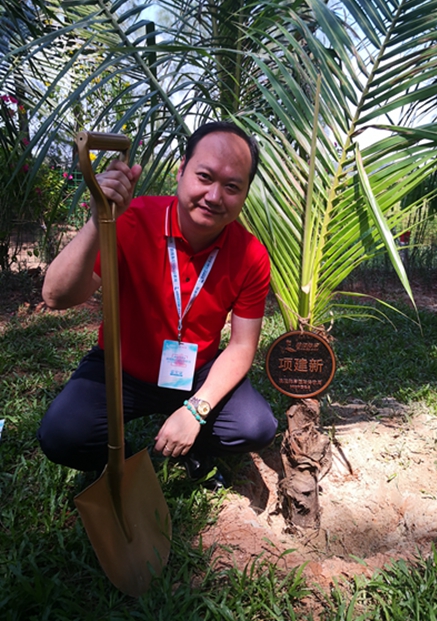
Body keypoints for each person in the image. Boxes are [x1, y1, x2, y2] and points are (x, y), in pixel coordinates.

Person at [37, 121, 278, 488]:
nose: (214, 196)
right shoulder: (131, 220)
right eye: (205, 176)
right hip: (121, 367)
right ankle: (122, 457)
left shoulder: (251, 254)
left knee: (255, 427)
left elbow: (243, 345)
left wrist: (197, 411)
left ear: (245, 193)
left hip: (196, 373)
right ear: (181, 171)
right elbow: (56, 296)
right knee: (62, 434)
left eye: (232, 186)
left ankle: (193, 446)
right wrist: (98, 220)